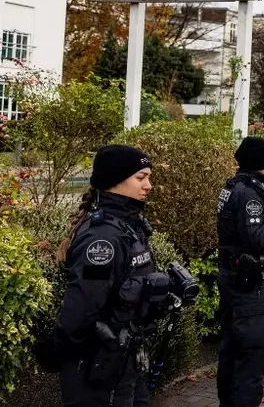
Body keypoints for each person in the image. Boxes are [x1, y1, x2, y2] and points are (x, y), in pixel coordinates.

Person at [35, 145, 180, 406]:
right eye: (141, 177)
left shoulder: (129, 225)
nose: (149, 185)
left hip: (125, 363)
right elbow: (82, 307)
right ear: (115, 180)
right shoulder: (103, 237)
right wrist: (57, 351)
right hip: (97, 367)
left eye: (148, 177)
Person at [216, 136, 264, 407]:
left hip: (230, 275)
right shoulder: (250, 193)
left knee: (230, 351)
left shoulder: (232, 186)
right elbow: (256, 238)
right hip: (247, 284)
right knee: (249, 355)